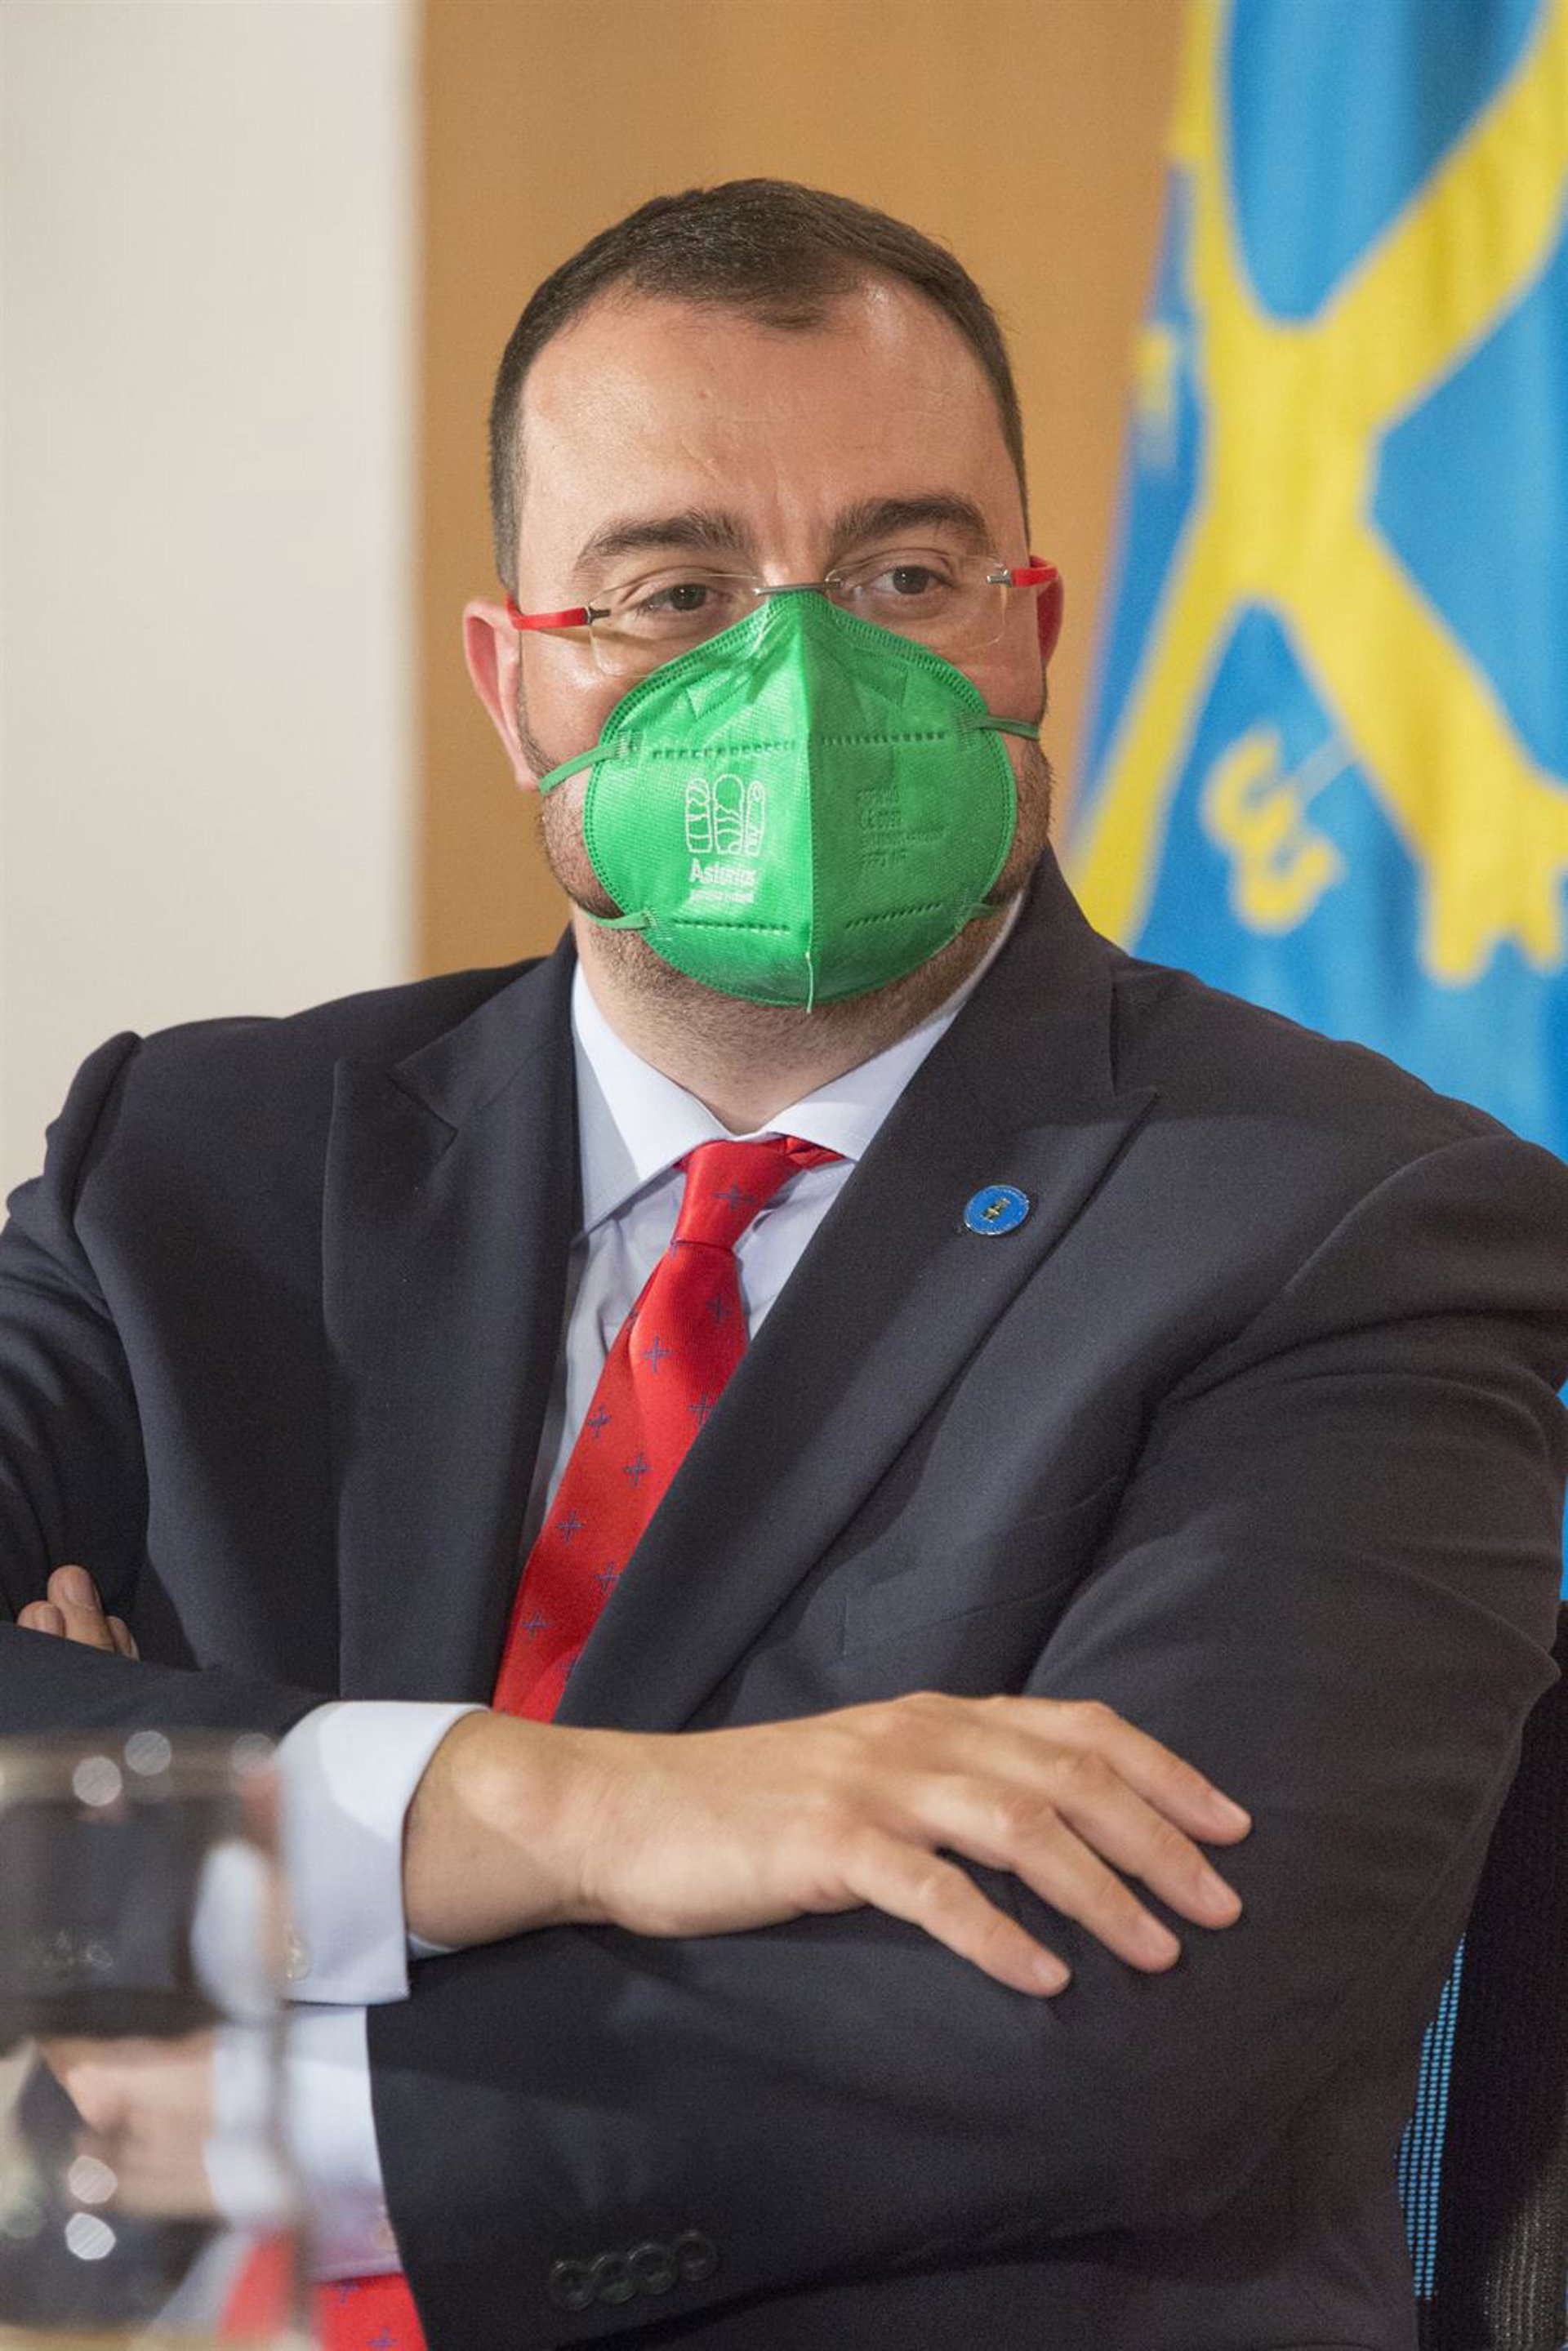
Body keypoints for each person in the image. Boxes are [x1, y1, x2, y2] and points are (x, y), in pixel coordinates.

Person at [3, 178, 1566, 2351]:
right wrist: (559, 1812)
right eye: (675, 590)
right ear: (514, 684)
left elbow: (1107, 2028)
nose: (804, 678)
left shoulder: (1347, 1223)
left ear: (1030, 630)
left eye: (906, 575)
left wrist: (200, 2076)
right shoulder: (195, 1167)